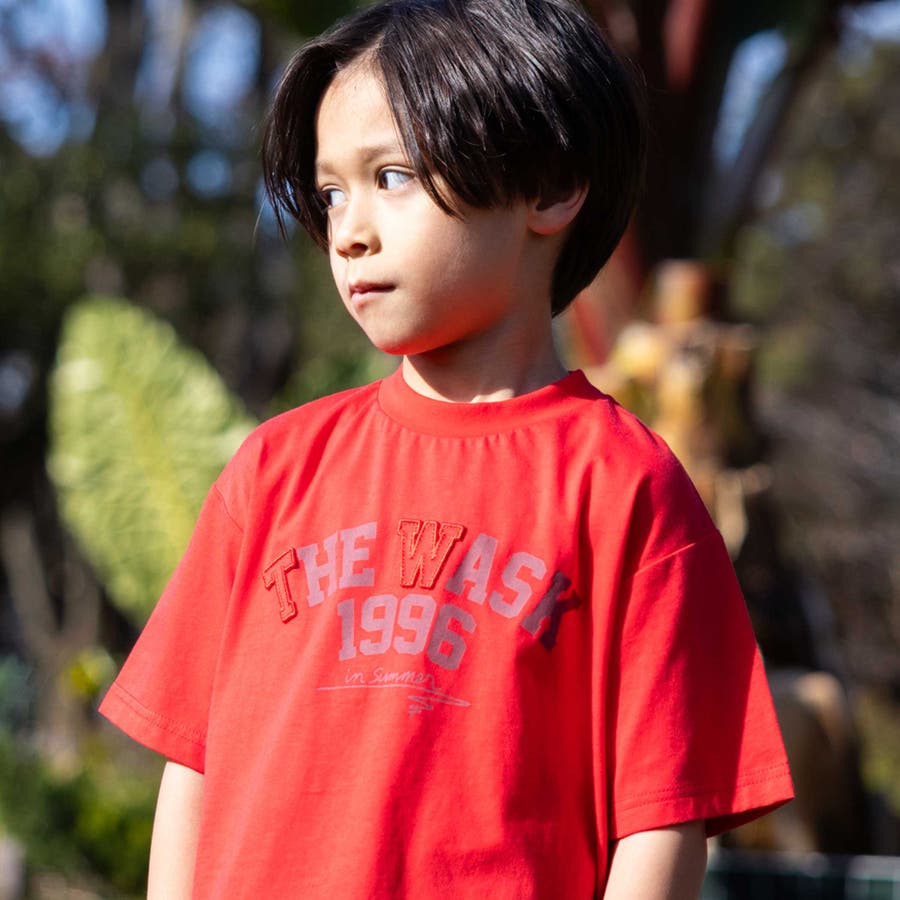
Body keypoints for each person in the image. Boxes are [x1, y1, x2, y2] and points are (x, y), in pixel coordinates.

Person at [99, 1, 794, 897]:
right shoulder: (272, 471)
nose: (348, 230)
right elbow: (191, 766)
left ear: (549, 185)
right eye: (330, 193)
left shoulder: (627, 487)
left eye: (390, 176)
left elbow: (662, 822)